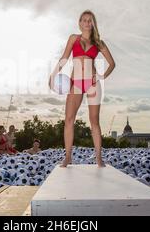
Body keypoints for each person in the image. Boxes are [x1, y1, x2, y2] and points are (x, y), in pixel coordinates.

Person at [49, 10, 116, 168]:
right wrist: (53, 75)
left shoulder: (99, 43)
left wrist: (101, 76)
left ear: (93, 23)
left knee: (94, 121)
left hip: (92, 83)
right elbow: (64, 58)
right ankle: (67, 157)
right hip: (75, 82)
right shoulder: (73, 38)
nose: (86, 22)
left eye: (89, 20)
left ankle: (99, 158)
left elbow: (112, 63)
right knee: (69, 120)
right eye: (84, 20)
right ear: (79, 22)